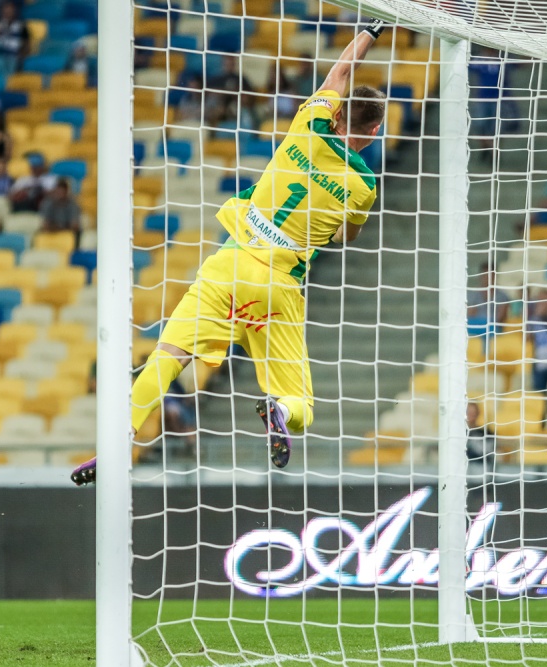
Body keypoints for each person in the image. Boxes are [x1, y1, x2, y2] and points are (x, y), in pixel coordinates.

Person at [71, 20, 389, 485]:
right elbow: (348, 237)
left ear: (337, 113)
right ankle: (279, 411)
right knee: (301, 405)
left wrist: (371, 32)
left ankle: (120, 438)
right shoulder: (363, 185)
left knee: (168, 355)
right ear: (375, 131)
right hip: (278, 286)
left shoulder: (308, 122)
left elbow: (339, 72)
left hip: (231, 262)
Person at [0, 1, 29, 72]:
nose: (7, 11)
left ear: (14, 10)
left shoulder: (21, 26)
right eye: (5, 9)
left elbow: (26, 44)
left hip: (14, 57)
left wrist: (21, 56)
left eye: (9, 9)